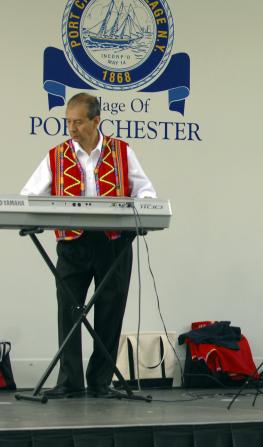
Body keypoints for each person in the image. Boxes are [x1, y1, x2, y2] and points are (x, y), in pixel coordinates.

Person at [21, 93, 156, 398]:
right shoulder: (56, 156)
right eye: (68, 122)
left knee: (110, 310)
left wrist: (145, 209)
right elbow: (30, 194)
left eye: (78, 122)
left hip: (113, 242)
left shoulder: (121, 151)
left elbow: (146, 190)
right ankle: (69, 381)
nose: (72, 128)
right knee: (69, 311)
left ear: (96, 121)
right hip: (73, 243)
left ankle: (100, 380)